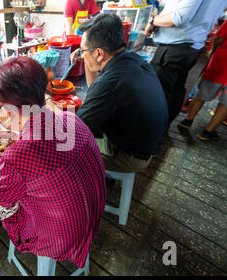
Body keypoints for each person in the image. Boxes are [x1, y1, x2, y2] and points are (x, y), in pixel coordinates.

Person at [0, 57, 106, 269]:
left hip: (62, 236)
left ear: (8, 110)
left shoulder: (19, 157)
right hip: (92, 214)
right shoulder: (71, 119)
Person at [56, 13, 168, 173]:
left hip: (129, 157)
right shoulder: (132, 59)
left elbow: (75, 132)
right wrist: (88, 61)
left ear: (99, 53)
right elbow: (97, 88)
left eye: (83, 50)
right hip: (143, 144)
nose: (81, 53)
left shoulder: (112, 81)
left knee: (61, 150)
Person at [144, 0, 227, 127]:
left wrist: (152, 21)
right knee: (175, 89)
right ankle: (161, 129)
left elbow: (179, 17)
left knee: (160, 92)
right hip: (192, 43)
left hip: (176, 44)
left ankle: (152, 133)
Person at [178, 1, 227, 141]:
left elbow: (221, 35)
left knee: (203, 93)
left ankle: (187, 121)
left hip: (224, 60)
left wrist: (212, 53)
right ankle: (207, 132)